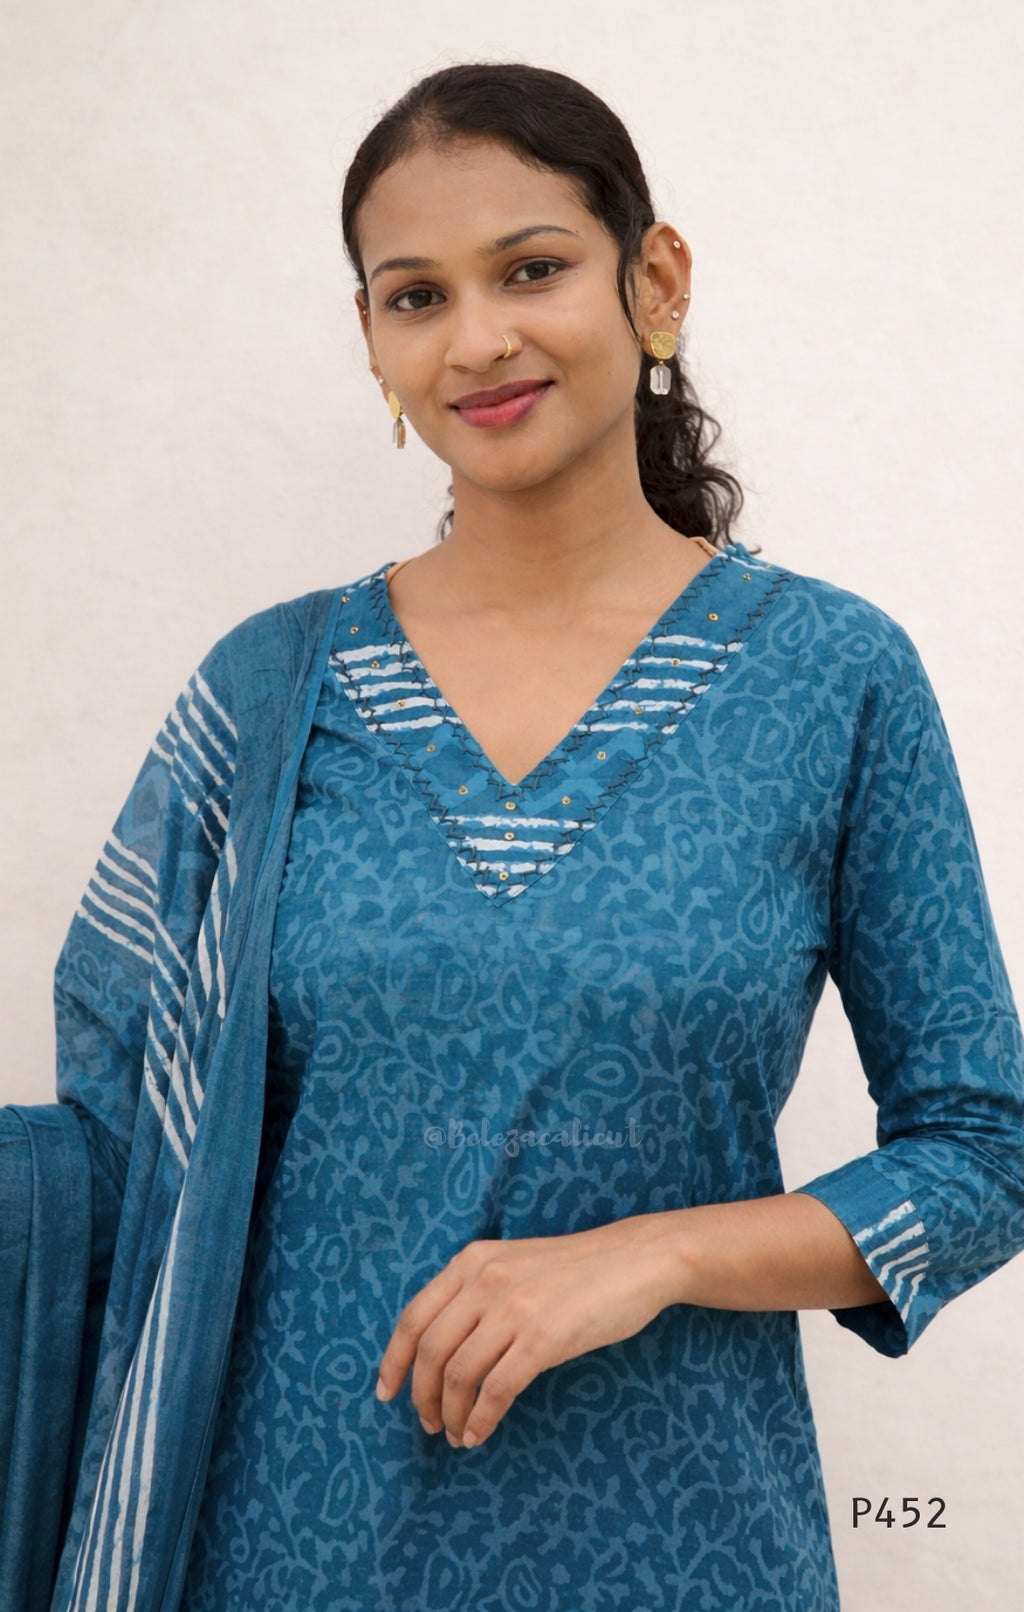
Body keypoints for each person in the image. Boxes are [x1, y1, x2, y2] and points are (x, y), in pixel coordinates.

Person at [2, 60, 1022, 1612]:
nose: (476, 338)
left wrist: (661, 1253)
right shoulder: (272, 691)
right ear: (371, 341)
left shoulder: (832, 678)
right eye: (415, 296)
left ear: (653, 277)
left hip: (689, 1545)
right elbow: (109, 1157)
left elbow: (985, 1154)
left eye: (532, 269)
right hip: (291, 1545)